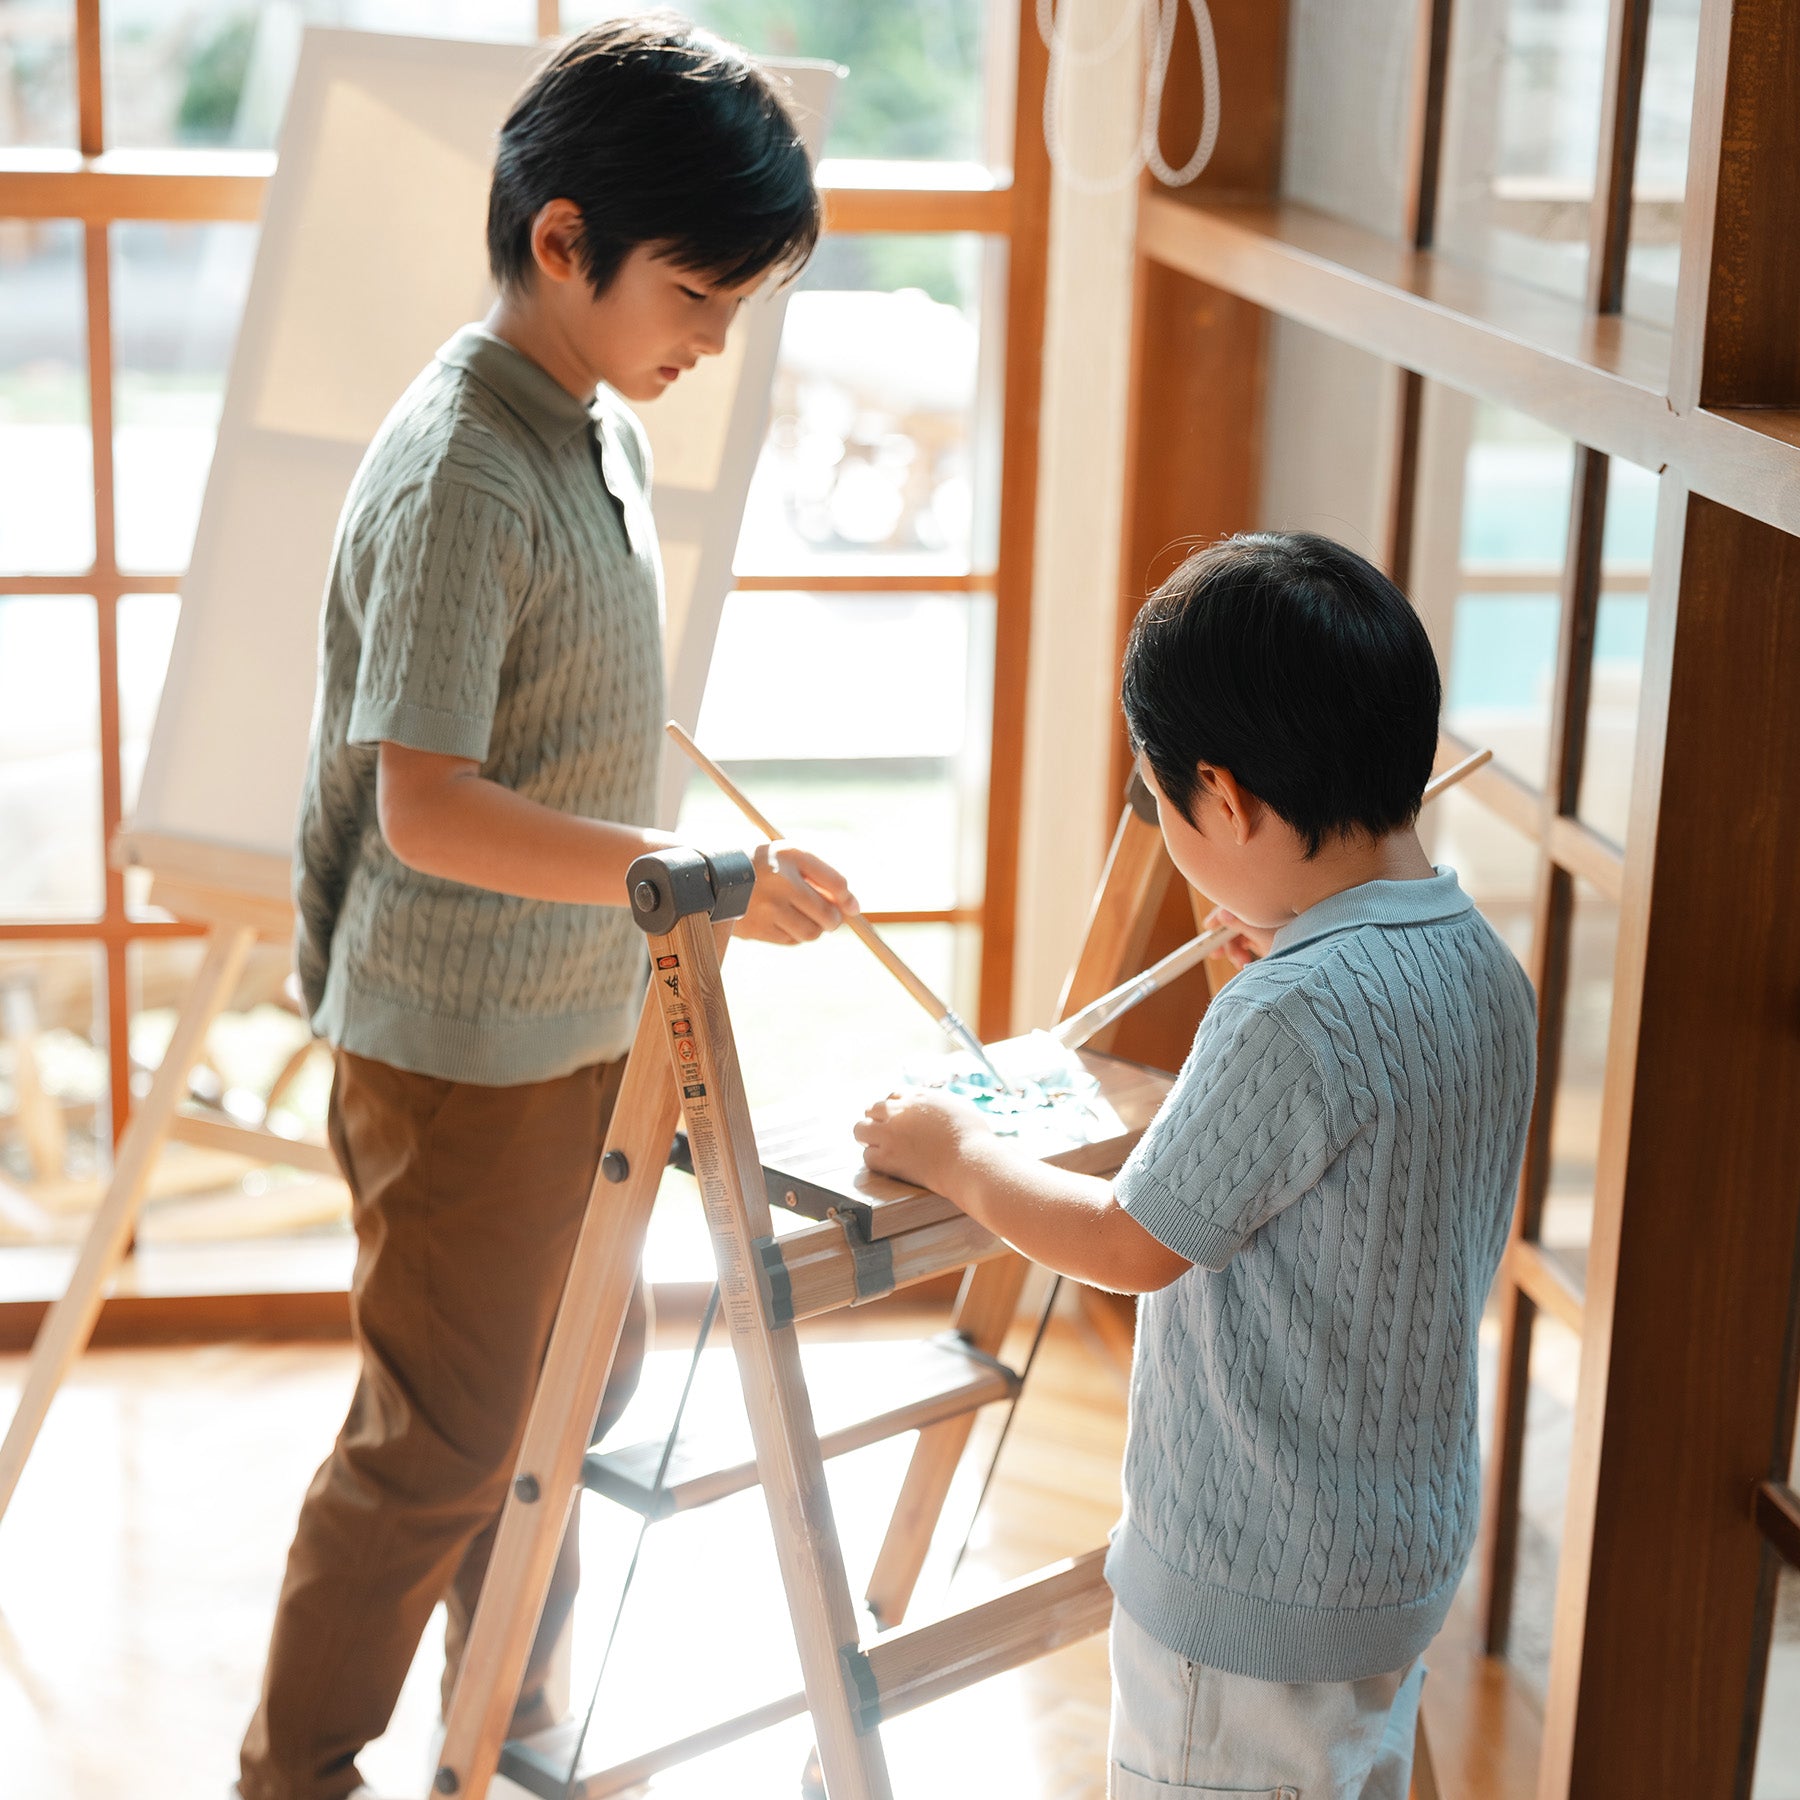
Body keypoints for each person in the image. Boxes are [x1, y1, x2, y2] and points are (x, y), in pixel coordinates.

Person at [240, 20, 855, 1800]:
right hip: (458, 1043)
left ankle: (497, 1707)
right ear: (566, 242)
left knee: (565, 1391)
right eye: (697, 294)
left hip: (573, 1014)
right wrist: (691, 879)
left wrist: (682, 872)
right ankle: (294, 1774)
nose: (714, 342)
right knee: (444, 1442)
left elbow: (563, 725)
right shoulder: (465, 468)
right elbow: (430, 813)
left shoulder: (590, 426)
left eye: (738, 307)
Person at [858, 532, 1537, 1799]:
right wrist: (1275, 970)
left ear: (1223, 800)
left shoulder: (1290, 1016)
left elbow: (1129, 1240)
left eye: (1167, 808)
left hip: (1250, 1592)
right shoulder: (1483, 968)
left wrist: (958, 1152)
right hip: (1396, 1561)